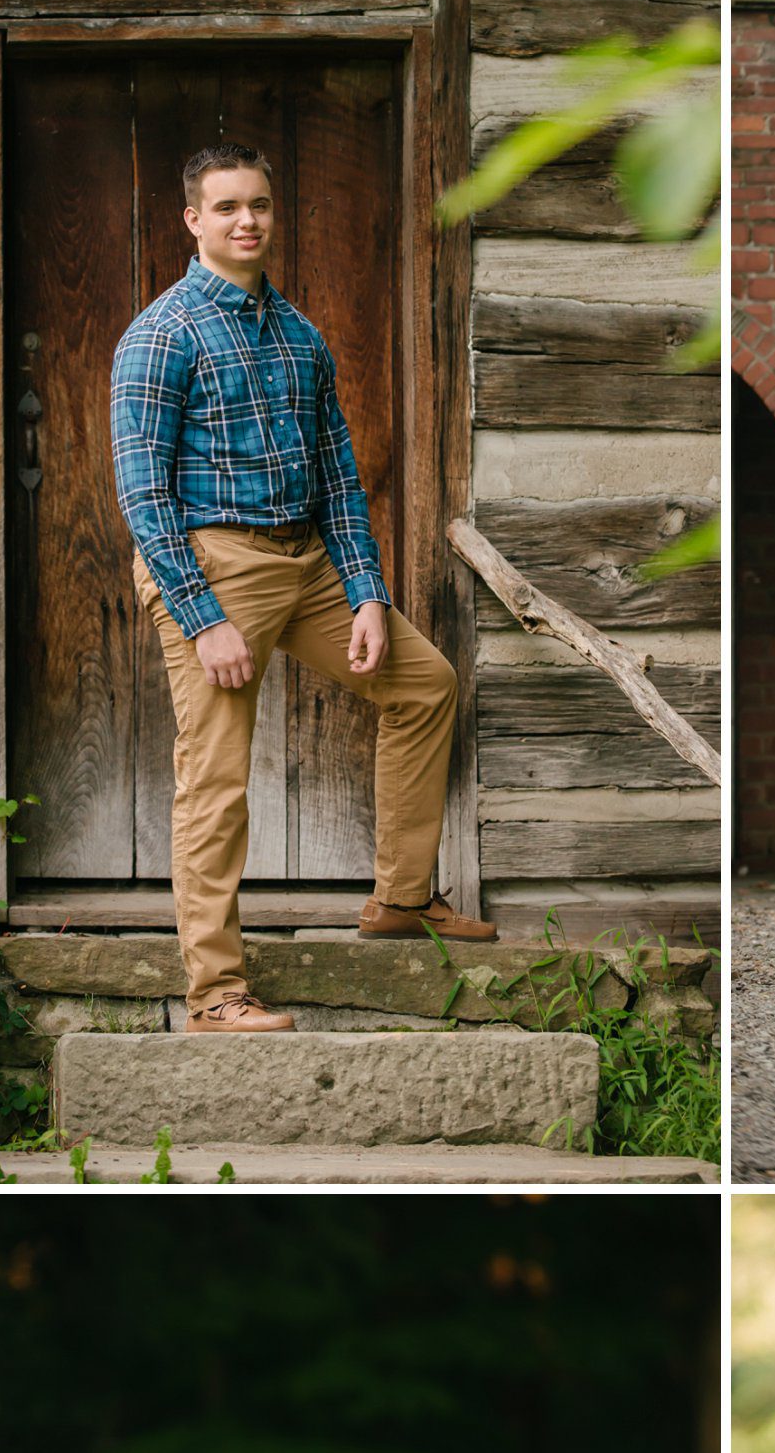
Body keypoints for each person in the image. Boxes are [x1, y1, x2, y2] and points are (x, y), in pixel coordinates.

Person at [111, 143, 495, 1033]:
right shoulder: (161, 334)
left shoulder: (298, 335)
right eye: (228, 206)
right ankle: (213, 993)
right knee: (216, 778)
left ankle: (401, 900)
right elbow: (143, 492)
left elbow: (337, 479)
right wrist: (203, 617)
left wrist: (365, 592)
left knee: (423, 681)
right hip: (215, 565)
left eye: (261, 205)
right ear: (193, 220)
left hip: (308, 564)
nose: (248, 221)